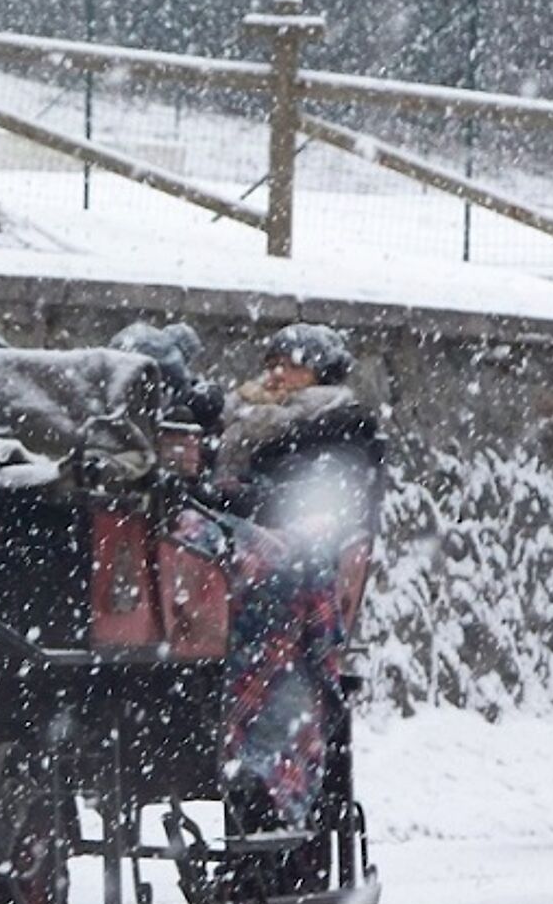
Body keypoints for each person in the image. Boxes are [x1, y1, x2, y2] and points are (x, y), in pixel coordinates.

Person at [211, 323, 382, 835]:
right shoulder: (246, 420)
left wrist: (244, 499)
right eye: (274, 363)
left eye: (294, 365)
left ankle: (268, 760)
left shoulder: (339, 427)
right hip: (241, 548)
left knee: (282, 589)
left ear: (321, 375)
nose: (279, 374)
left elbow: (323, 506)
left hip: (300, 552)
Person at [110, 320, 223, 433]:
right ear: (186, 349)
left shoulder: (146, 334)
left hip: (112, 386)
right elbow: (182, 393)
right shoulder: (173, 360)